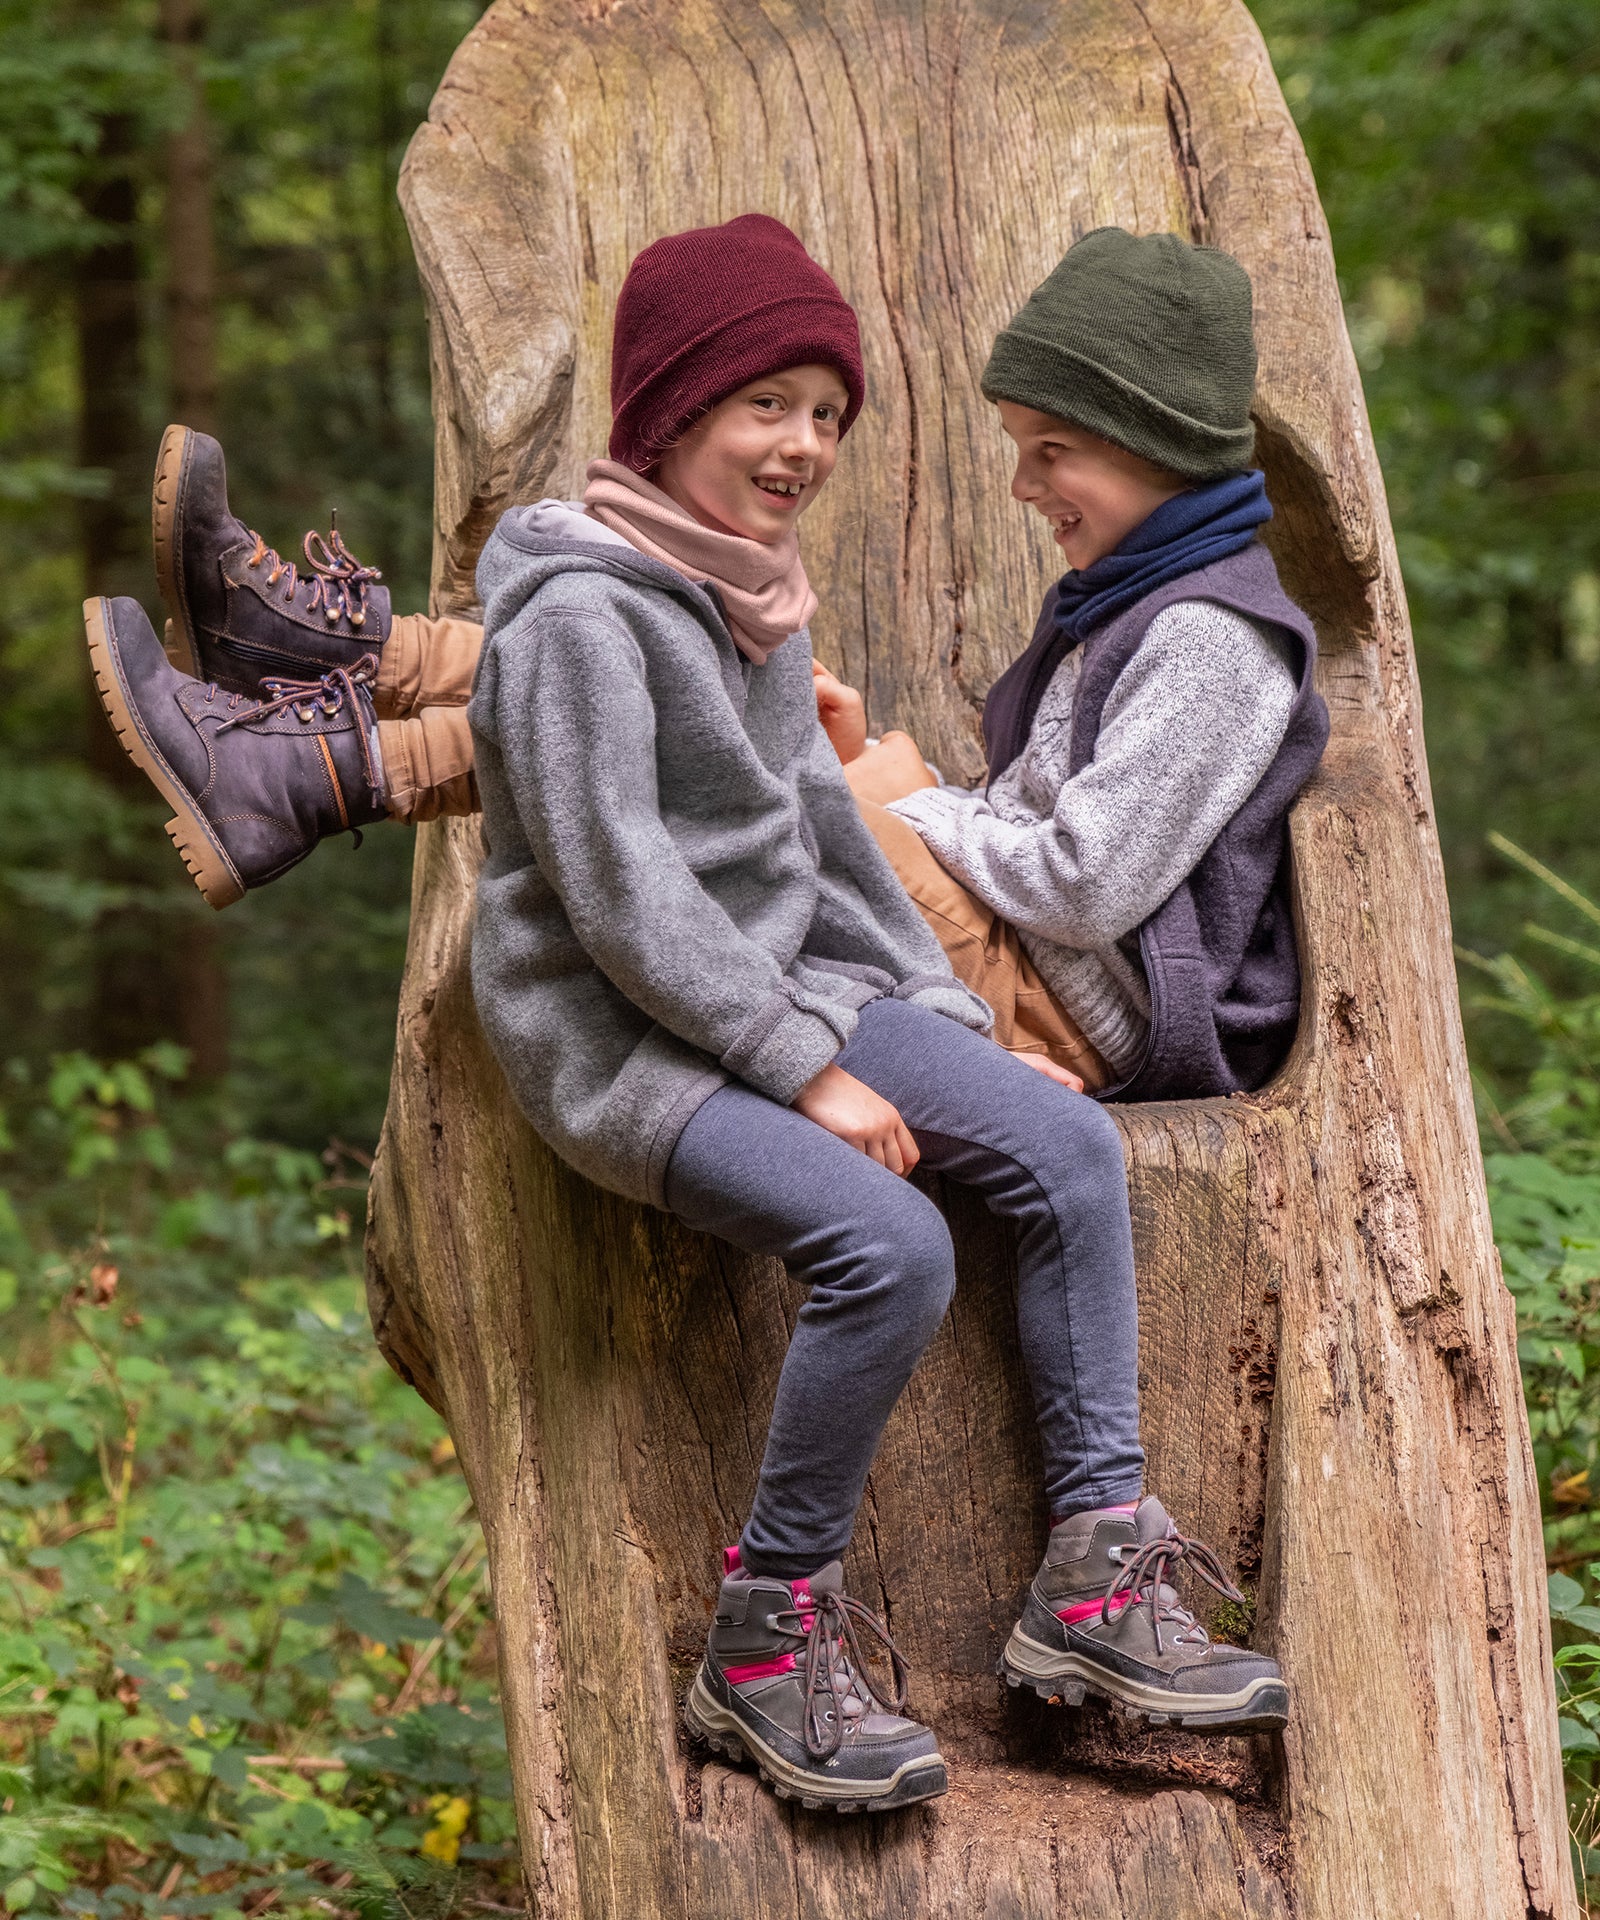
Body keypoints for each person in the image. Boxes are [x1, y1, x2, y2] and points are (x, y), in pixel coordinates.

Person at [83, 214, 1290, 1815]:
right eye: (766, 405)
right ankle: (765, 1636)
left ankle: (1095, 1579)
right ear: (668, 412)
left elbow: (814, 834)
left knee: (1067, 1144)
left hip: (792, 989)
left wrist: (921, 1012)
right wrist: (807, 1070)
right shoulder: (585, 617)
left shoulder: (752, 595)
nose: (803, 444)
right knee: (894, 1244)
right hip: (623, 1041)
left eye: (825, 413)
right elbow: (623, 901)